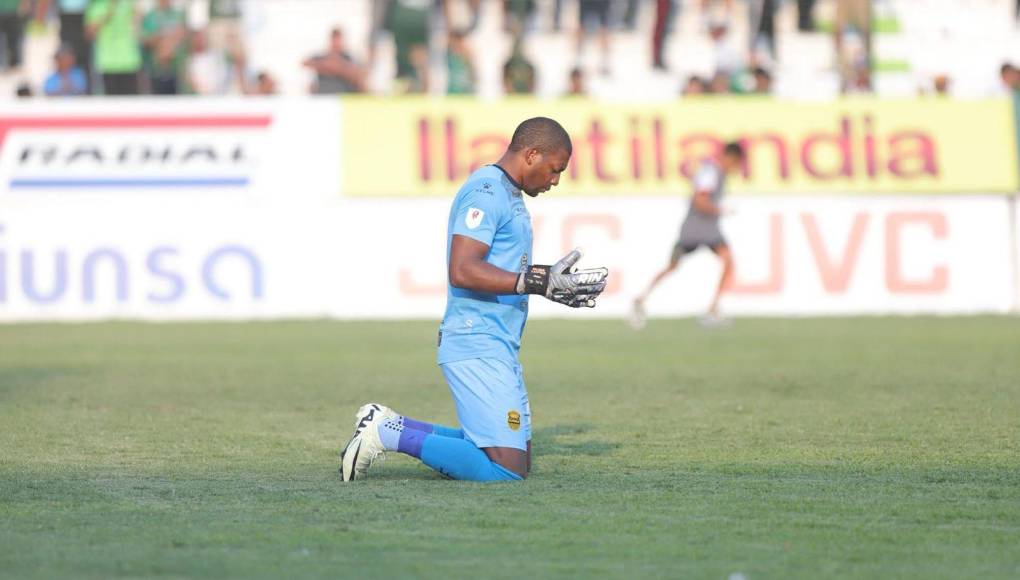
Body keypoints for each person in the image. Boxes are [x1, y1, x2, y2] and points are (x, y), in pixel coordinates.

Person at [338, 117, 609, 482]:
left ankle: (390, 423)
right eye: (555, 169)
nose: (556, 180)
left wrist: (547, 283)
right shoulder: (486, 192)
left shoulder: (507, 193)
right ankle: (386, 433)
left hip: (497, 341)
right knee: (506, 469)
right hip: (476, 339)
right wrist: (532, 281)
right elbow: (462, 269)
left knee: (518, 458)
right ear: (532, 155)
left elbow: (507, 271)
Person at [631, 142, 745, 329]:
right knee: (722, 261)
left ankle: (641, 299)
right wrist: (720, 210)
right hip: (700, 229)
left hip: (699, 229)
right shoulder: (711, 172)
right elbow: (699, 200)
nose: (735, 168)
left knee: (675, 265)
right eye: (736, 163)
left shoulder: (714, 172)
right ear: (731, 157)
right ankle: (711, 311)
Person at [85, 0, 142, 95]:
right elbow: (89, 34)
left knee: (131, 101)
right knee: (110, 101)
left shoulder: (130, 4)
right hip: (107, 63)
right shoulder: (97, 6)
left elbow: (139, 28)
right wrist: (107, 14)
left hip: (129, 62)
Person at [141, 0, 187, 95]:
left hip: (175, 69)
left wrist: (169, 42)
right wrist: (162, 37)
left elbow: (182, 35)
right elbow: (145, 40)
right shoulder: (150, 16)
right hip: (154, 70)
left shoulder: (178, 15)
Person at [303, 27, 366, 94]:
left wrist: (340, 68)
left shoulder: (348, 58)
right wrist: (325, 65)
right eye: (334, 39)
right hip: (323, 95)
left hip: (343, 95)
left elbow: (359, 74)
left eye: (338, 40)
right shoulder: (323, 57)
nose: (336, 43)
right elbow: (305, 63)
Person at [445, 29, 475, 95]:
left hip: (464, 87)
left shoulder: (466, 53)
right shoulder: (449, 53)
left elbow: (472, 72)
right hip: (452, 87)